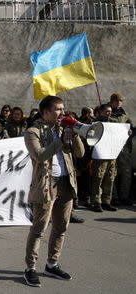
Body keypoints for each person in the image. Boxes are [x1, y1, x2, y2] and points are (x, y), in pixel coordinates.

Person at [23, 95, 84, 287]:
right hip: (46, 185)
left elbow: (80, 153)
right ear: (45, 112)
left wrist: (73, 137)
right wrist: (59, 141)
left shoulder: (64, 129)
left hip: (66, 183)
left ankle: (52, 264)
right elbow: (40, 155)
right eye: (57, 109)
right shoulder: (33, 132)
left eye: (63, 109)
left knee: (61, 228)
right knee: (39, 228)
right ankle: (30, 268)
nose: (62, 113)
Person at [90, 104, 118, 212]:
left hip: (111, 155)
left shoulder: (113, 123)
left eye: (110, 111)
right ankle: (96, 202)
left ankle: (107, 201)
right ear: (100, 112)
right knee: (98, 179)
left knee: (110, 178)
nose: (109, 113)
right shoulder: (96, 123)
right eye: (107, 111)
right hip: (100, 156)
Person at [109, 93, 133, 206]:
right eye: (116, 101)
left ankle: (124, 196)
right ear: (112, 101)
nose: (119, 103)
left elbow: (130, 127)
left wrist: (130, 131)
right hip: (110, 147)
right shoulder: (107, 112)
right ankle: (113, 197)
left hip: (123, 148)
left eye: (120, 101)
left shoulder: (125, 115)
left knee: (126, 173)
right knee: (111, 173)